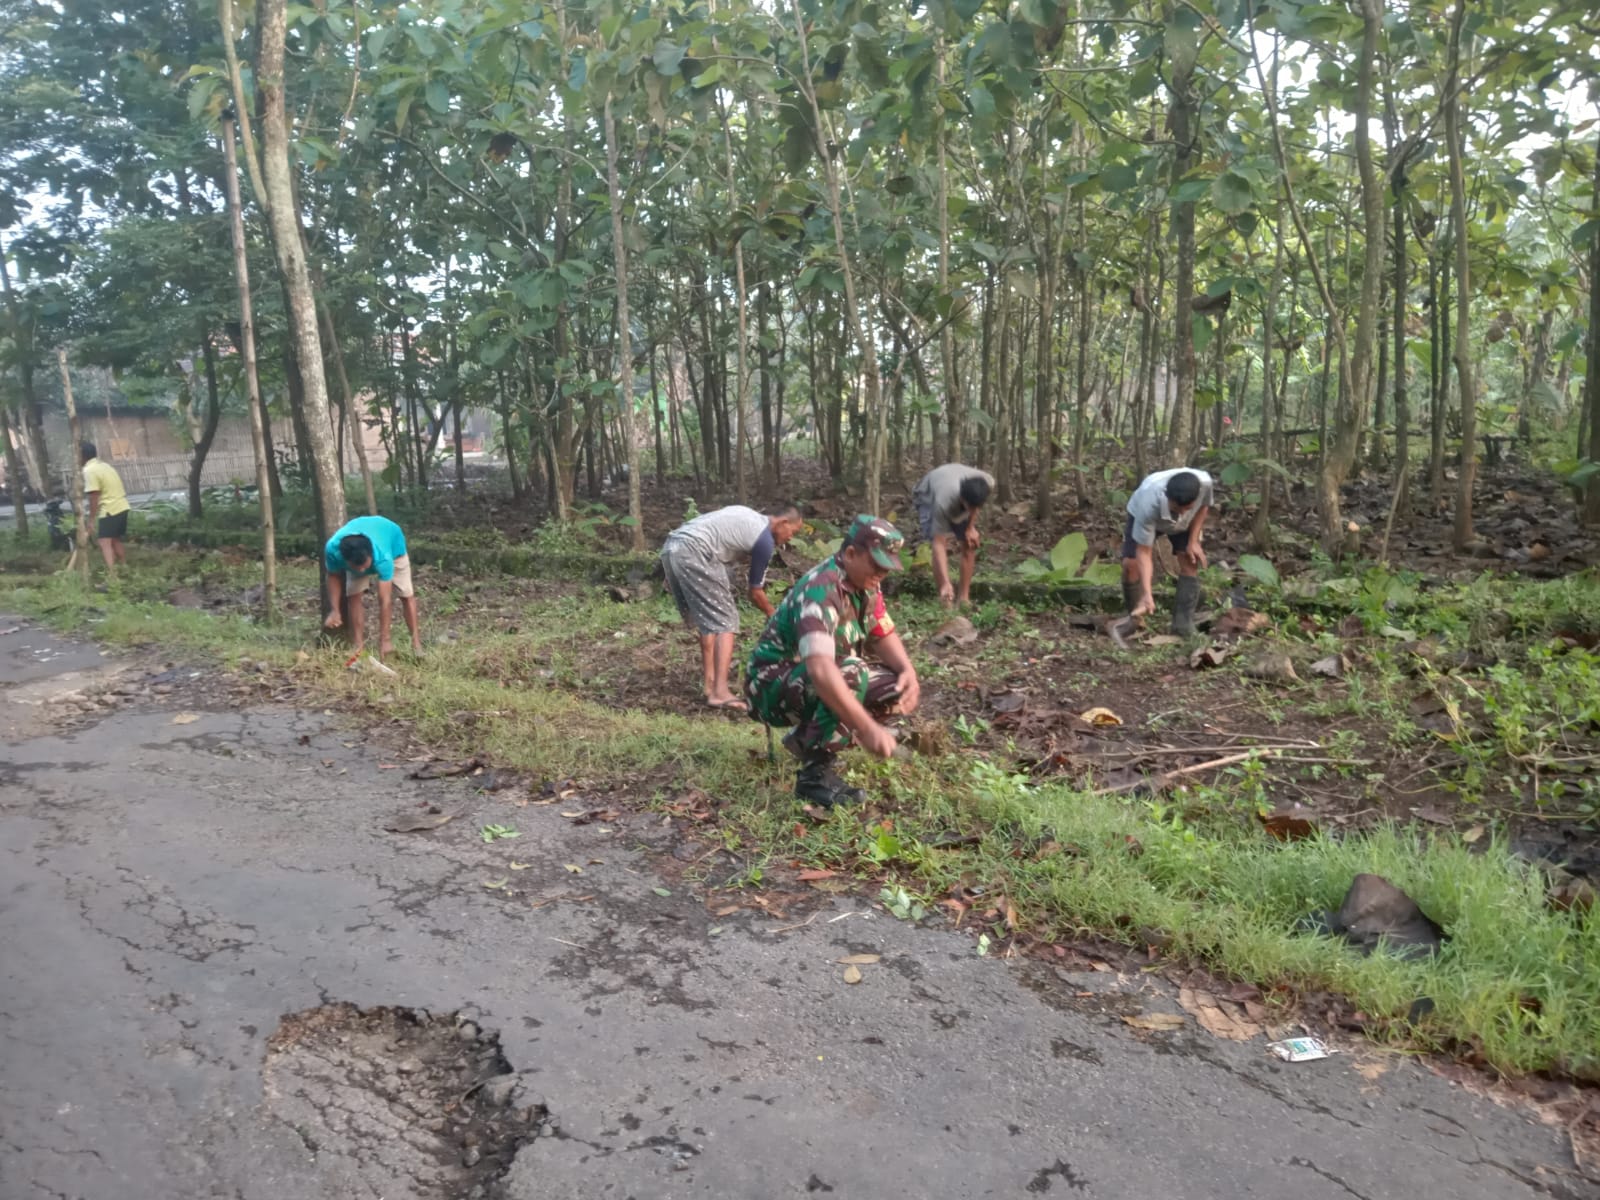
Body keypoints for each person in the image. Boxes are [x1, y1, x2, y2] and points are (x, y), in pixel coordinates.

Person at [746, 514, 922, 809]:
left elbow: (880, 630)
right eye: (876, 565)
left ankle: (805, 739)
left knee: (894, 686)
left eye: (886, 568)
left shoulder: (866, 584)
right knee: (850, 673)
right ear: (851, 554)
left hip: (807, 679)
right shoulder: (822, 589)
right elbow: (821, 670)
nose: (881, 574)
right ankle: (814, 778)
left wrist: (908, 671)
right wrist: (866, 728)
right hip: (770, 685)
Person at [661, 503, 805, 710]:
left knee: (709, 620)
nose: (791, 537)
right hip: (695, 550)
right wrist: (774, 614)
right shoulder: (764, 540)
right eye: (793, 531)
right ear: (783, 522)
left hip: (673, 546)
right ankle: (720, 692)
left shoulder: (748, 515)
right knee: (726, 621)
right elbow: (755, 592)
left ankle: (710, 685)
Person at [1122, 467, 1214, 636]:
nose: (1183, 512)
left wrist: (1193, 541)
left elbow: (1203, 507)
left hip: (1185, 524)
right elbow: (1144, 552)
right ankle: (1134, 618)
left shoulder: (1205, 483)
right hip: (1151, 516)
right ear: (1168, 497)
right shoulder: (1148, 504)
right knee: (1131, 564)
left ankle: (1183, 623)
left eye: (1188, 507)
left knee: (1189, 559)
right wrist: (1147, 594)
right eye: (1178, 508)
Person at [321, 514, 422, 660]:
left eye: (364, 565)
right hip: (358, 548)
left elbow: (385, 601)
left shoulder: (383, 556)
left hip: (394, 545)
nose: (362, 570)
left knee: (406, 594)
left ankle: (416, 643)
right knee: (353, 596)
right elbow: (333, 576)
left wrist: (385, 640)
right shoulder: (333, 550)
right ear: (345, 559)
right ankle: (358, 646)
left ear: (370, 555)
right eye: (357, 566)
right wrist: (335, 610)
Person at [912, 462, 994, 608]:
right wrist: (945, 581)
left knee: (970, 544)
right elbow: (939, 543)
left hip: (957, 487)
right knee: (939, 545)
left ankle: (964, 598)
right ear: (962, 499)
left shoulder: (987, 482)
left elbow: (975, 507)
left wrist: (970, 528)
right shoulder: (943, 501)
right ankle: (945, 597)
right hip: (929, 494)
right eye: (970, 507)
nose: (974, 510)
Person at [80, 441, 130, 575]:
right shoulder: (104, 465)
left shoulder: (89, 470)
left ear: (82, 456)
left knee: (104, 542)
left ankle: (112, 577)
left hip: (110, 508)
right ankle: (125, 569)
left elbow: (94, 496)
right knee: (114, 539)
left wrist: (91, 520)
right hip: (122, 506)